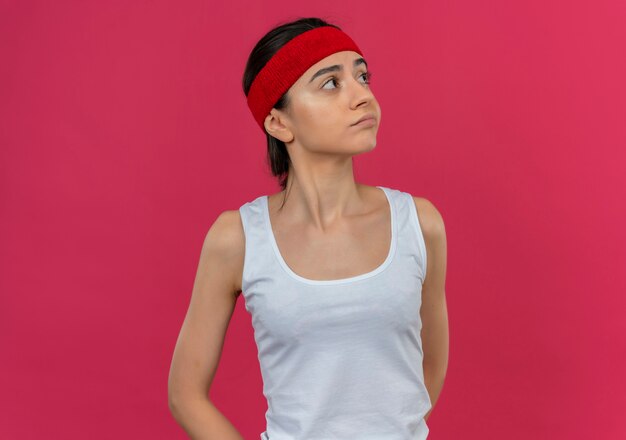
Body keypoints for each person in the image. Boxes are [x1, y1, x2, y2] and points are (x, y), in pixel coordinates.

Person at [168, 16, 449, 440]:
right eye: (331, 84)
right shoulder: (239, 239)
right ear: (278, 122)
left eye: (362, 75)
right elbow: (185, 393)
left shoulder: (419, 223)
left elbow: (430, 366)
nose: (362, 96)